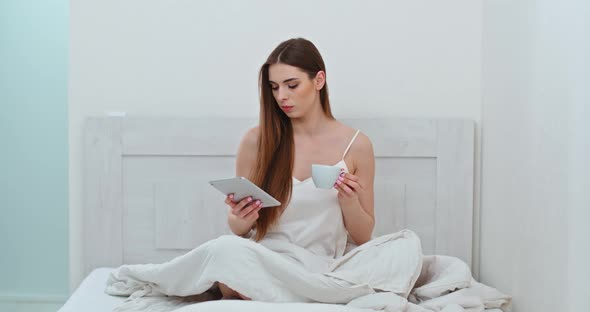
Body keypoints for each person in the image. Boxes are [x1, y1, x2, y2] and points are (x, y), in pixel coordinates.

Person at [219, 37, 376, 299]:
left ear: (319, 81)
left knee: (404, 248)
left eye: (292, 85)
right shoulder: (255, 141)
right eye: (274, 87)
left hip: (318, 267)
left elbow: (363, 237)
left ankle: (282, 294)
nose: (281, 96)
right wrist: (240, 219)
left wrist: (349, 202)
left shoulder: (356, 146)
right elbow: (238, 230)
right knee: (223, 251)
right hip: (263, 259)